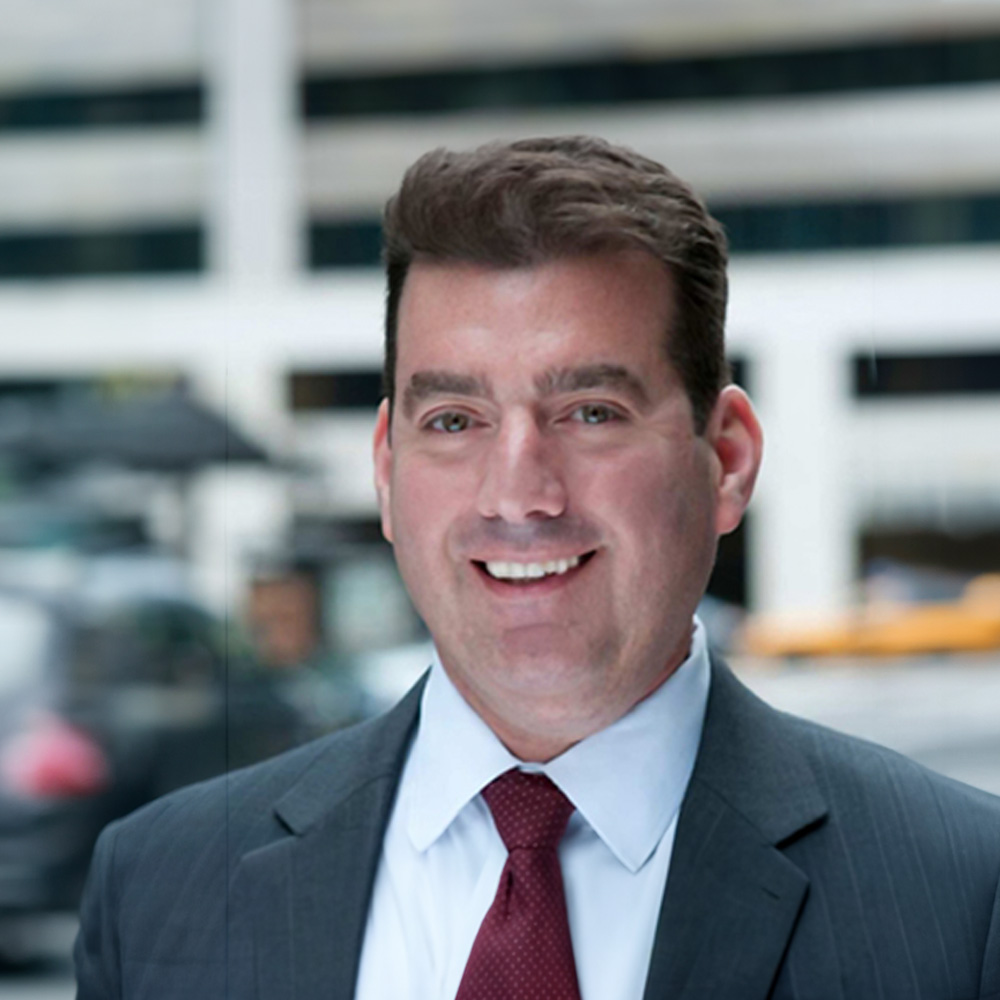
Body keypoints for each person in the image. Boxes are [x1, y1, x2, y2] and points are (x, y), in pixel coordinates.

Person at [75, 136, 1000, 1000]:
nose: (518, 494)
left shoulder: (960, 901)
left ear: (726, 458)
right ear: (388, 472)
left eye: (590, 412)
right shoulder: (159, 892)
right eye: (454, 422)